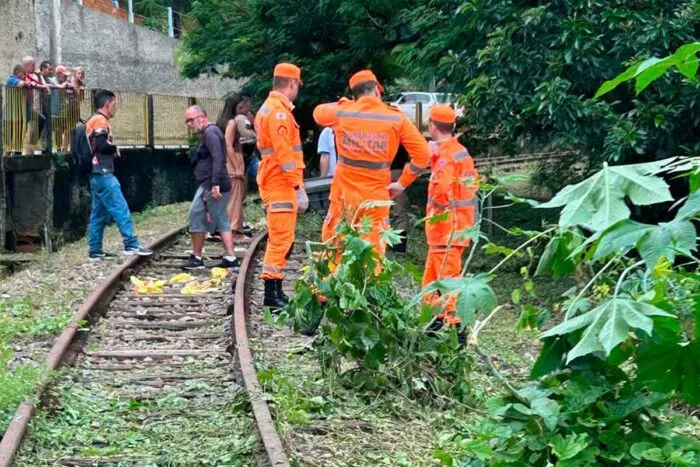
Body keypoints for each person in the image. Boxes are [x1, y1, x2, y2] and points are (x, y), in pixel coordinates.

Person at [313, 69, 430, 269]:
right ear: (376, 90)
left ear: (354, 94)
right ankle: (368, 293)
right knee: (372, 249)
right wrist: (402, 183)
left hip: (344, 196)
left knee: (335, 246)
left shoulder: (342, 112)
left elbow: (318, 113)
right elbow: (423, 155)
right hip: (376, 197)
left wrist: (346, 103)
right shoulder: (395, 118)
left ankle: (328, 295)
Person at [254, 63, 308, 310]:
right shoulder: (279, 113)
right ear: (293, 83)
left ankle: (275, 291)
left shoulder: (269, 109)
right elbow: (286, 155)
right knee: (281, 239)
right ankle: (272, 295)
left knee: (281, 237)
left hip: (275, 179)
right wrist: (298, 187)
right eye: (298, 86)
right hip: (281, 182)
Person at [421, 104, 478, 327]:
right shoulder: (459, 153)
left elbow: (442, 194)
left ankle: (457, 327)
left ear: (433, 127)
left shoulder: (446, 158)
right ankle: (434, 324)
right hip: (455, 229)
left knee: (447, 282)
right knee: (432, 282)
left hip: (445, 230)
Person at [86, 89, 153, 260]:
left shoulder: (92, 119)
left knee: (98, 213)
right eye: (115, 105)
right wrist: (114, 148)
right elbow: (101, 145)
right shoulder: (100, 120)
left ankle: (95, 250)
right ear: (107, 104)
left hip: (95, 173)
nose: (116, 108)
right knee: (120, 207)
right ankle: (130, 243)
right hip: (103, 172)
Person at [183, 105, 239, 270]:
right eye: (187, 121)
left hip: (211, 184)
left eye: (191, 120)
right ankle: (230, 257)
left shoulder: (210, 133)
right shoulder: (211, 132)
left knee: (196, 215)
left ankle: (197, 258)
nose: (189, 124)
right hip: (217, 183)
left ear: (202, 116)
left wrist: (215, 184)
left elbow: (218, 157)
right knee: (221, 220)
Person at [216, 94, 252, 243]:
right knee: (235, 199)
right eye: (246, 105)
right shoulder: (232, 122)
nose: (248, 108)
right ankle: (234, 232)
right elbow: (228, 145)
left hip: (228, 163)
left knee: (230, 199)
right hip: (233, 164)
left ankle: (226, 230)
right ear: (239, 106)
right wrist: (237, 167)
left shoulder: (224, 121)